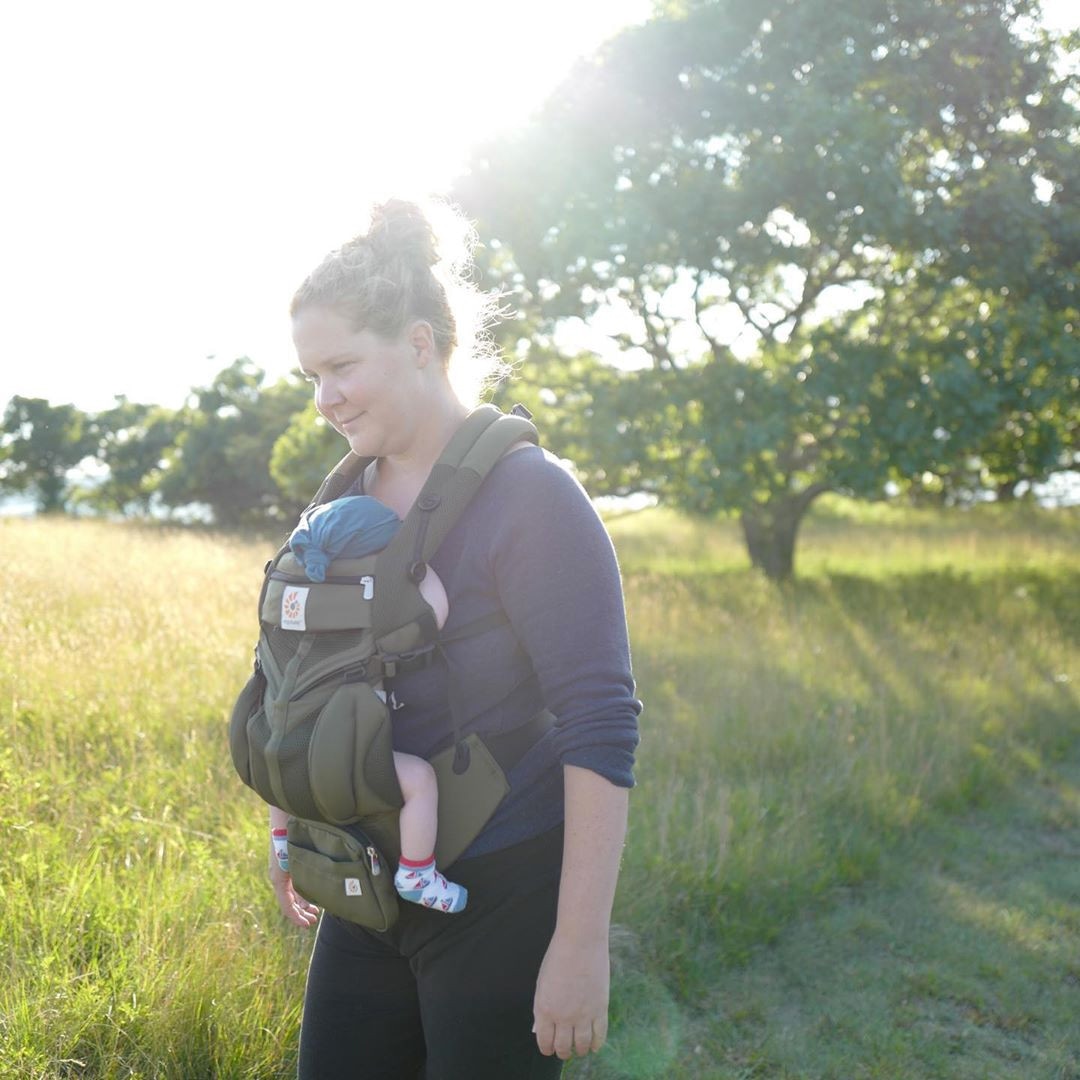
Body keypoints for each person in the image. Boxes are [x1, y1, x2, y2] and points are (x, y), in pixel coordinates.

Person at [267, 196, 641, 1079]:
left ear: (422, 343)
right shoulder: (339, 500)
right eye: (309, 377)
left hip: (502, 888)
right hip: (367, 884)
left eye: (342, 367)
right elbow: (301, 678)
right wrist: (291, 829)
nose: (325, 399)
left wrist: (580, 945)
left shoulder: (532, 497)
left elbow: (600, 724)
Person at [274, 494, 467, 914]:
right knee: (419, 780)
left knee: (282, 762)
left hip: (284, 751)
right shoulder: (368, 606)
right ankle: (417, 874)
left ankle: (282, 843)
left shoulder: (294, 600)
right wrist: (417, 568)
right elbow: (434, 615)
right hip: (342, 758)